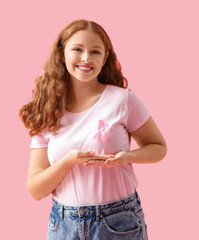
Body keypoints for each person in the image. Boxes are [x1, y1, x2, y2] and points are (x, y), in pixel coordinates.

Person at [19, 19, 167, 240]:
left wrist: (126, 156)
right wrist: (68, 161)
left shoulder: (123, 100)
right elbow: (36, 190)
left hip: (118, 221)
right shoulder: (48, 109)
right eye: (77, 49)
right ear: (62, 54)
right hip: (63, 224)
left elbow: (158, 148)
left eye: (95, 52)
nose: (86, 58)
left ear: (104, 57)